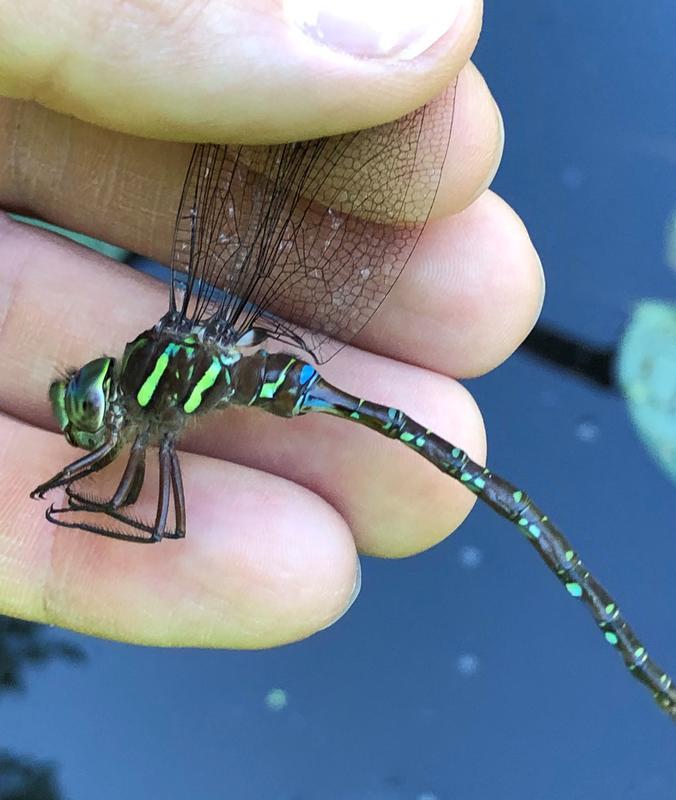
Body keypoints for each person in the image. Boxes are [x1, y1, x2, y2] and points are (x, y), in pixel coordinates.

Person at [0, 0, 543, 648]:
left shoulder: (145, 420)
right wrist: (73, 498)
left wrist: (75, 500)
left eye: (84, 405)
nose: (84, 412)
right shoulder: (159, 386)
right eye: (84, 401)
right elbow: (150, 518)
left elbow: (151, 522)